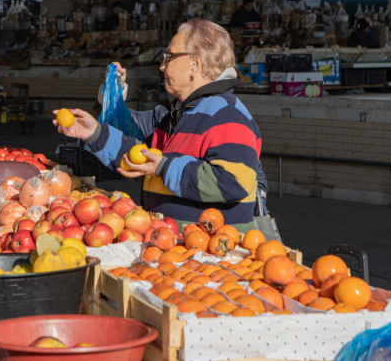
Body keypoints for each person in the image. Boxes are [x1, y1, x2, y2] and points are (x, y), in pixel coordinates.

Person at [54, 19, 264, 230]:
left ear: (195, 64)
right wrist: (93, 133)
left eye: (169, 57)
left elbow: (233, 182)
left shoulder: (227, 114)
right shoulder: (180, 113)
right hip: (173, 246)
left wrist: (164, 167)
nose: (162, 65)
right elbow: (143, 160)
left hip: (210, 253)